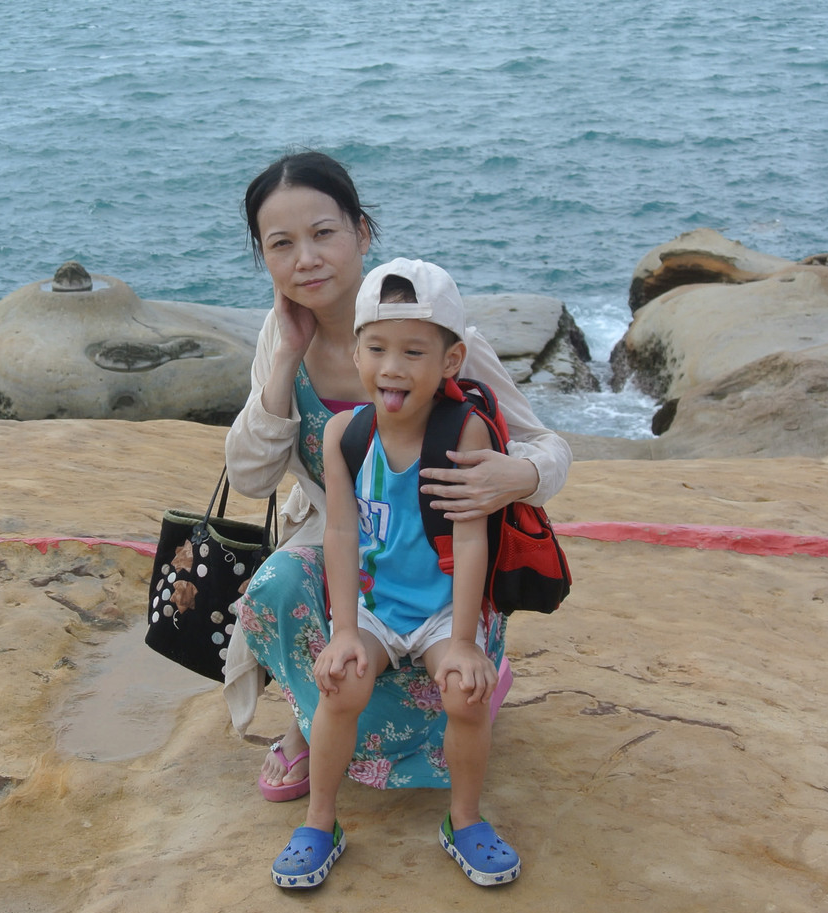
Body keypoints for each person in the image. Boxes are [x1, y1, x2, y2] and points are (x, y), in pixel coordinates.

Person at [221, 150, 571, 806]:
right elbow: (250, 475)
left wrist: (517, 474)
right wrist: (286, 358)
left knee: (440, 671)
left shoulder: (435, 334)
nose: (306, 259)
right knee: (278, 584)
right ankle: (310, 721)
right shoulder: (282, 334)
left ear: (362, 232)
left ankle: (464, 678)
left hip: (438, 557)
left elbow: (548, 446)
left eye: (324, 233)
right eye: (281, 244)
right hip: (343, 540)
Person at [269, 257, 517, 888]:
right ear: (356, 354)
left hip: (441, 611)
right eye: (376, 348)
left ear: (451, 361)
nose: (392, 367)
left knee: (463, 693)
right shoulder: (346, 436)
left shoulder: (465, 432)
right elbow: (341, 532)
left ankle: (464, 820)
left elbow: (472, 537)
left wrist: (464, 641)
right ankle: (320, 822)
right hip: (376, 607)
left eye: (413, 351)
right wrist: (345, 631)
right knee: (342, 684)